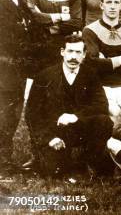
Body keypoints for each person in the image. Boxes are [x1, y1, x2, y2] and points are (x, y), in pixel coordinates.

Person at [25, 34, 113, 178]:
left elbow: (102, 105)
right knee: (54, 171)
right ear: (62, 52)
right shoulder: (45, 76)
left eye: (78, 52)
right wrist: (49, 138)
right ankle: (49, 158)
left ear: (84, 54)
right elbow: (32, 114)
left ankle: (84, 161)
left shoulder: (90, 74)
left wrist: (76, 116)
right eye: (70, 51)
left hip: (79, 128)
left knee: (104, 121)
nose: (73, 57)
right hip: (54, 131)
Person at [82, 0, 121, 119]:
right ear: (102, 5)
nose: (112, 6)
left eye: (116, 3)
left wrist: (105, 60)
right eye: (108, 2)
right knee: (116, 115)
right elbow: (92, 64)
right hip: (99, 86)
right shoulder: (90, 31)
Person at [0, 0, 34, 177]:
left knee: (11, 114)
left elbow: (31, 22)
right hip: (3, 66)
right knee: (3, 113)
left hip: (17, 67)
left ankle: (5, 158)